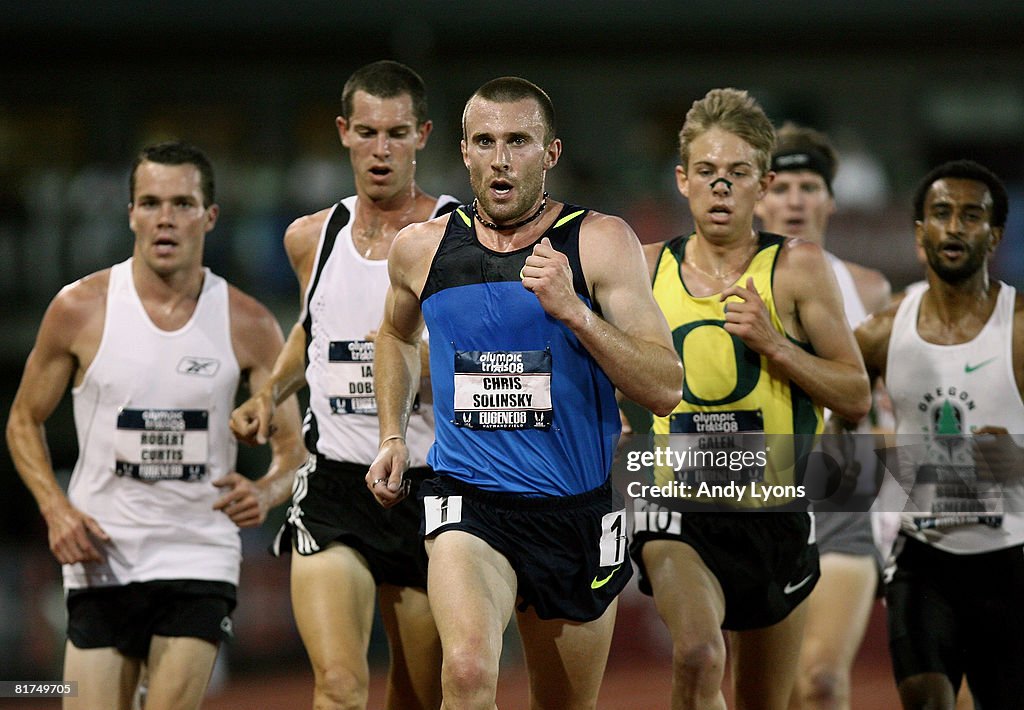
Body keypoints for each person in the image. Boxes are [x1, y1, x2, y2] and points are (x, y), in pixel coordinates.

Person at [365, 76, 682, 709]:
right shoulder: (421, 250)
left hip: (575, 510)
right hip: (468, 500)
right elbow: (395, 336)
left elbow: (665, 386)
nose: (501, 158)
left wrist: (575, 311)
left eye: (519, 141)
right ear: (463, 151)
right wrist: (394, 435)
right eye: (485, 141)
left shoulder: (598, 241)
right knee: (469, 672)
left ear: (551, 153)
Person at [5, 140, 305, 710]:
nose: (164, 218)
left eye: (182, 203)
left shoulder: (249, 322)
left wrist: (264, 492)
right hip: (103, 555)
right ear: (130, 214)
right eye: (149, 202)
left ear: (210, 216)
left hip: (199, 551)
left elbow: (295, 450)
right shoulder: (79, 308)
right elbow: (23, 420)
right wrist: (55, 508)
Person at [631, 89, 871, 710]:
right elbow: (599, 363)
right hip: (677, 507)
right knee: (699, 654)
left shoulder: (796, 269)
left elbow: (855, 395)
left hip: (774, 511)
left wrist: (777, 346)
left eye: (736, 174)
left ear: (762, 184)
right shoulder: (645, 269)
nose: (720, 188)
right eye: (706, 173)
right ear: (682, 180)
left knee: (767, 700)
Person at [229, 60, 458, 710]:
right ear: (342, 132)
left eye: (395, 132)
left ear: (423, 135)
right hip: (334, 485)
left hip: (428, 487)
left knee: (419, 693)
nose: (380, 149)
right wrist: (268, 393)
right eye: (366, 132)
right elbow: (311, 329)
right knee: (337, 685)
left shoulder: (454, 234)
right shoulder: (311, 236)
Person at [852, 159, 1023, 710]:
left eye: (971, 217)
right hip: (924, 561)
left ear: (993, 235)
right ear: (919, 230)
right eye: (941, 214)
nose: (954, 227)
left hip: (1010, 562)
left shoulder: (1019, 329)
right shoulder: (881, 332)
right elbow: (836, 423)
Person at [753, 122, 891, 710]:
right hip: (751, 484)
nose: (794, 200)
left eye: (809, 186)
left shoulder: (869, 288)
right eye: (780, 185)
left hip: (842, 481)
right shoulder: (719, 281)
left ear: (831, 200)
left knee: (821, 680)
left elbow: (886, 405)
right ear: (758, 194)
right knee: (770, 690)